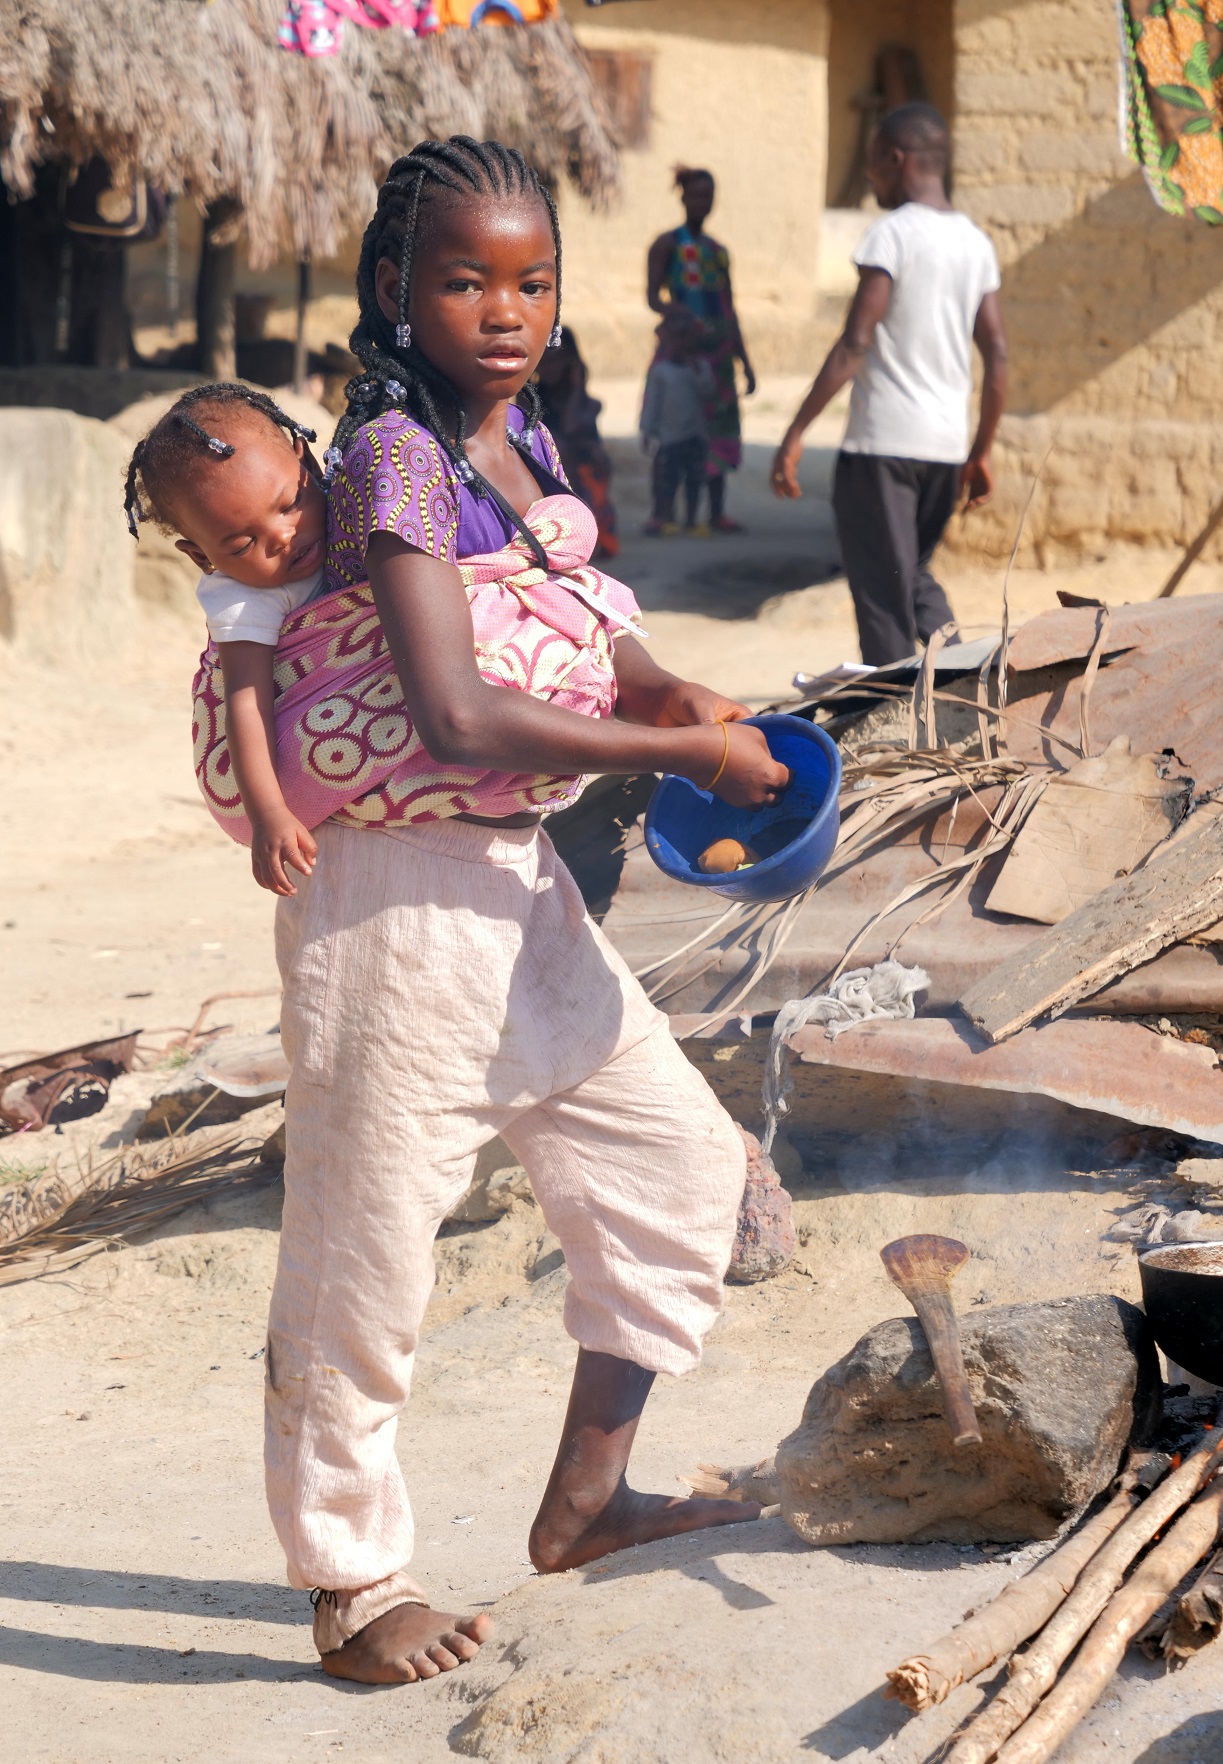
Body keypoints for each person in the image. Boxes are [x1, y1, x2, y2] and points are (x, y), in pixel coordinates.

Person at [132, 135, 790, 1689]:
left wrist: (665, 682)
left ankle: (581, 1503)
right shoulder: (392, 457)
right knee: (365, 1256)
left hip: (513, 884)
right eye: (462, 278)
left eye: (532, 280)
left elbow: (571, 618)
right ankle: (352, 1590)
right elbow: (453, 715)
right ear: (390, 291)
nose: (504, 309)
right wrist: (685, 748)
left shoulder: (521, 440)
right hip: (391, 901)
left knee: (679, 1170)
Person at [770, 103, 1008, 667]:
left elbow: (854, 343)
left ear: (895, 159)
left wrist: (795, 431)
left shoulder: (892, 234)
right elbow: (997, 354)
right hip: (945, 449)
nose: (870, 174)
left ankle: (893, 716)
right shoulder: (975, 242)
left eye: (874, 160)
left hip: (881, 449)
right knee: (910, 574)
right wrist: (980, 450)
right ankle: (962, 674)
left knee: (882, 593)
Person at [123, 384, 331, 896]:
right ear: (201, 556)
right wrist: (268, 814)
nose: (282, 536)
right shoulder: (246, 597)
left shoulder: (358, 510)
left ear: (307, 462)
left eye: (290, 503)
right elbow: (247, 701)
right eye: (243, 543)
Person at [647, 166, 755, 533]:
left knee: (718, 430)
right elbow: (652, 298)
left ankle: (715, 513)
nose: (702, 202)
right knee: (673, 431)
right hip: (682, 350)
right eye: (696, 195)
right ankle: (663, 512)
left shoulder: (718, 252)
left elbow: (729, 307)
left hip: (719, 353)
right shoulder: (667, 245)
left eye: (708, 195)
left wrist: (745, 362)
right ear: (683, 198)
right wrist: (676, 313)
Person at [533, 324, 619, 558]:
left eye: (557, 361)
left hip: (582, 466)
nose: (550, 368)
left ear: (570, 362)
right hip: (552, 466)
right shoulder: (531, 394)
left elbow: (573, 426)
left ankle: (592, 532)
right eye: (545, 361)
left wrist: (577, 383)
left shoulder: (583, 400)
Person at [640, 306, 714, 535]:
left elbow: (709, 393)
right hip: (669, 437)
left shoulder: (700, 367)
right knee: (667, 481)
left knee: (694, 480)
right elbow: (652, 402)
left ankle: (691, 520)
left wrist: (697, 371)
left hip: (695, 435)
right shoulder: (661, 371)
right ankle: (665, 518)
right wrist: (647, 431)